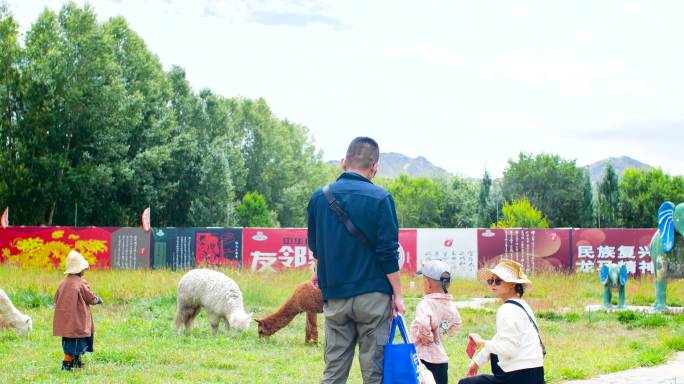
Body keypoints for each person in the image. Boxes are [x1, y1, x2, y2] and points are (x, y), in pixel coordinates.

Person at [308, 136, 406, 384]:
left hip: (336, 297)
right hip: (373, 298)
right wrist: (399, 294)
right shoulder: (381, 198)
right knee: (374, 373)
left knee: (333, 372)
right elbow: (388, 252)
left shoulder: (319, 198)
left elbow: (316, 246)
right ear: (375, 167)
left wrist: (319, 273)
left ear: (344, 162)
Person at [459, 259, 545, 384]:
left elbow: (508, 349)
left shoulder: (507, 309)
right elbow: (500, 339)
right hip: (534, 374)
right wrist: (477, 361)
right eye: (491, 281)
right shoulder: (522, 305)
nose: (493, 284)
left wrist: (481, 342)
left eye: (498, 281)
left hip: (518, 376)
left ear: (512, 284)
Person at [410, 259, 462, 384]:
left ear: (427, 283)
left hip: (422, 359)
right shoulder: (450, 305)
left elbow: (423, 324)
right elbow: (456, 322)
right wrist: (440, 331)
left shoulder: (425, 304)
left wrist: (427, 338)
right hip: (441, 360)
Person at [53, 250, 103, 371]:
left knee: (70, 341)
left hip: (66, 322)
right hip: (77, 321)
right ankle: (66, 365)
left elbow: (55, 298)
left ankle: (76, 361)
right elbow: (90, 298)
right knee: (76, 342)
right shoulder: (81, 283)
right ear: (80, 270)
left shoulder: (63, 283)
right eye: (84, 269)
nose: (85, 271)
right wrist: (97, 300)